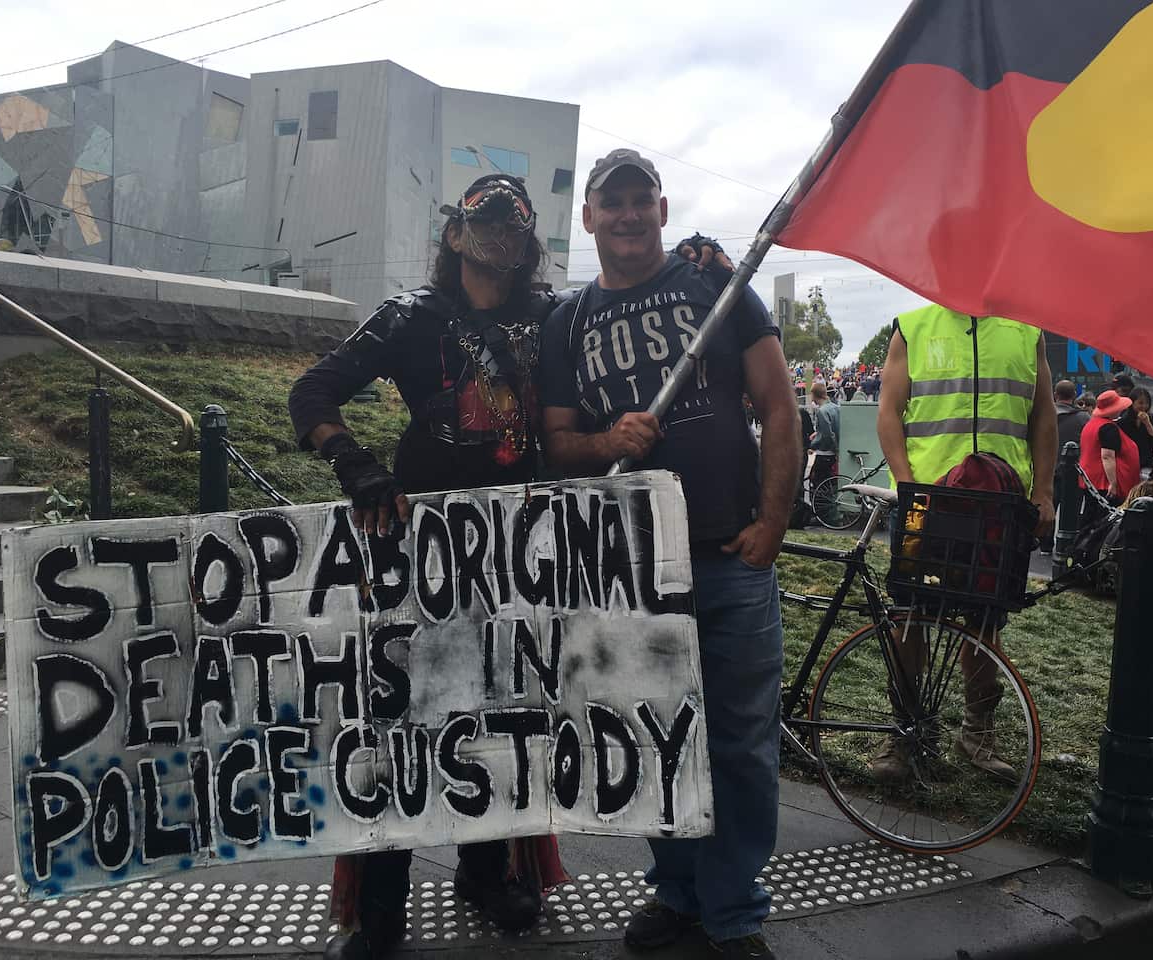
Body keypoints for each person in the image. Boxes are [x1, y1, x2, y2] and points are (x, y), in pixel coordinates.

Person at [288, 171, 729, 960]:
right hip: (417, 548)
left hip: (523, 553)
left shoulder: (553, 317)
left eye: (517, 222)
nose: (501, 230)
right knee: (404, 720)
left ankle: (486, 870)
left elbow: (626, 313)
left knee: (504, 708)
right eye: (484, 217)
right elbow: (312, 393)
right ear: (454, 233)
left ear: (529, 244)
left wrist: (689, 273)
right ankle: (382, 908)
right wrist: (353, 463)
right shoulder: (409, 318)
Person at [539, 147, 799, 960]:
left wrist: (774, 521)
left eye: (638, 199)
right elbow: (555, 444)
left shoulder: (715, 288)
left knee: (741, 743)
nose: (624, 214)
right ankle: (678, 892)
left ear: (660, 206)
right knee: (654, 738)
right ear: (589, 218)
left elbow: (780, 402)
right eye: (608, 202)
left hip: (728, 556)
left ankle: (735, 911)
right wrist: (606, 439)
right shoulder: (566, 323)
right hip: (630, 571)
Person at [875, 305, 1056, 783]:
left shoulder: (1026, 329)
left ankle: (976, 732)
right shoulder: (911, 327)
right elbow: (889, 412)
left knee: (984, 622)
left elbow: (1043, 416)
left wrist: (1043, 491)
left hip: (1000, 504)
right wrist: (906, 484)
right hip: (929, 500)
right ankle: (905, 732)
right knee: (911, 616)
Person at [1041, 379, 1090, 552]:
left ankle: (1045, 544)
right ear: (1074, 396)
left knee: (1048, 506)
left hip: (1047, 469)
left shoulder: (1045, 414)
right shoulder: (1083, 418)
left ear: (1055, 395)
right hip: (1073, 472)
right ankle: (1068, 546)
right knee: (1071, 509)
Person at [1078, 390, 1141, 505]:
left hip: (1089, 479)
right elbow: (1107, 456)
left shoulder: (1091, 424)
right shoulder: (1108, 428)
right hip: (1103, 481)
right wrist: (1113, 483)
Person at [1117, 386, 1153, 479]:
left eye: (1147, 403)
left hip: (1148, 460)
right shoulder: (1124, 420)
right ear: (1132, 403)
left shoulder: (1152, 417)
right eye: (1140, 403)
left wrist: (1147, 423)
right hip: (1130, 461)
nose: (1144, 406)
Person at [808, 382, 840, 492]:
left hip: (824, 453)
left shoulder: (821, 411)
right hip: (833, 454)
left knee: (817, 483)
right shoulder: (836, 408)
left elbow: (827, 435)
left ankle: (818, 507)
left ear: (814, 394)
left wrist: (812, 445)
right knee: (828, 484)